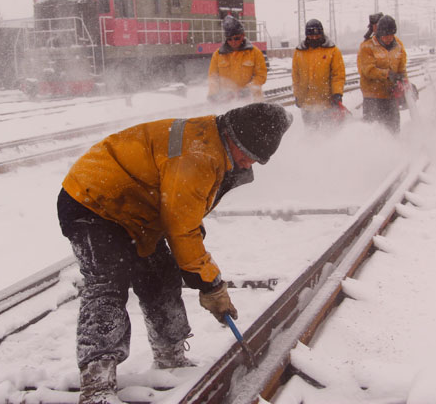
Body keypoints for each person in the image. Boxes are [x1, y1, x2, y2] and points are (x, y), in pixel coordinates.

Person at [57, 102, 292, 404]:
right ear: (232, 136)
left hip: (136, 209)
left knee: (160, 277)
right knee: (107, 285)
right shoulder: (199, 156)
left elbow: (184, 218)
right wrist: (211, 285)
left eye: (256, 159)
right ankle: (96, 384)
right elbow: (182, 229)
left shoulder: (214, 142)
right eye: (246, 153)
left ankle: (170, 358)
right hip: (93, 200)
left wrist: (204, 277)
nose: (249, 163)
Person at [291, 18, 347, 128]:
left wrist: (337, 94)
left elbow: (338, 75)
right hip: (307, 104)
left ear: (322, 34)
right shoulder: (299, 52)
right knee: (311, 134)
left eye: (317, 36)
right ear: (307, 35)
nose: (314, 38)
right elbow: (296, 76)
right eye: (311, 36)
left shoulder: (333, 51)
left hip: (327, 103)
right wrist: (297, 95)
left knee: (328, 133)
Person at [357, 15, 408, 133]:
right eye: (385, 36)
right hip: (372, 97)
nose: (389, 38)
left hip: (390, 96)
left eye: (391, 35)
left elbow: (402, 69)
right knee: (373, 130)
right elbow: (368, 70)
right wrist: (387, 74)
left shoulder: (398, 47)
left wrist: (405, 83)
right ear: (379, 34)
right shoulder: (367, 47)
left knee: (393, 130)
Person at [207, 15, 268, 102]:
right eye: (229, 39)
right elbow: (213, 77)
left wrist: (248, 89)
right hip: (228, 102)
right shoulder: (217, 55)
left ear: (243, 35)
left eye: (236, 38)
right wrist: (213, 94)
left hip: (252, 101)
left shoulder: (255, 53)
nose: (233, 42)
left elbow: (261, 75)